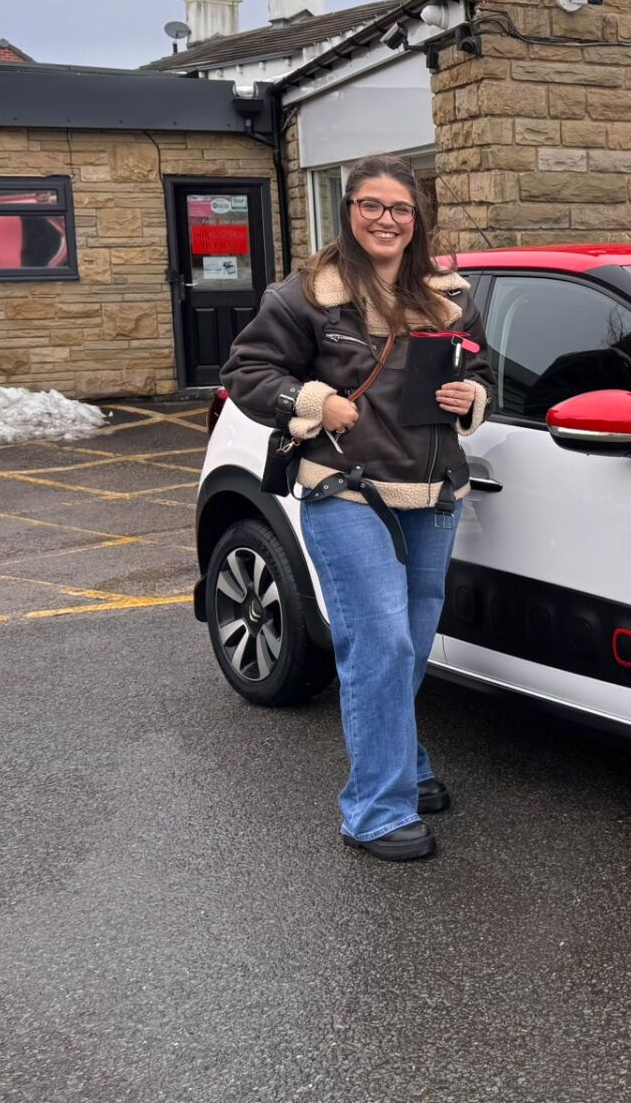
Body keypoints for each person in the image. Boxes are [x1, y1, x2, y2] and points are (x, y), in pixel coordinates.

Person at [220, 155, 497, 862]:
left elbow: (478, 368)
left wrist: (474, 400)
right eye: (372, 205)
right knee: (380, 640)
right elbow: (247, 373)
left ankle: (404, 763)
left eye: (400, 208)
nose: (386, 219)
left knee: (407, 640)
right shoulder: (307, 295)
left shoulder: (450, 295)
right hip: (342, 487)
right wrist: (312, 401)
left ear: (417, 219)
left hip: (433, 494)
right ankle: (374, 809)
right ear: (350, 213)